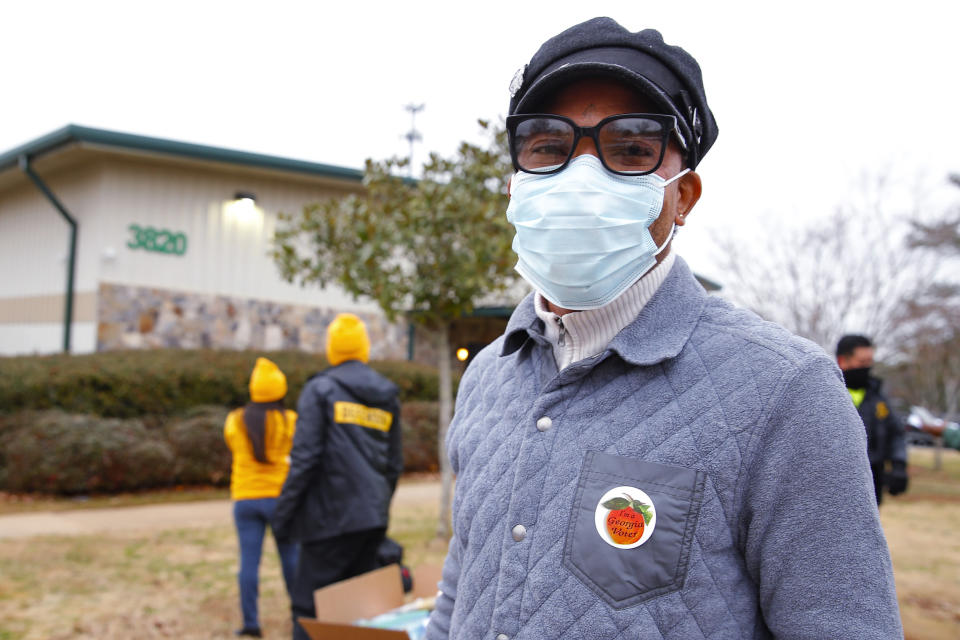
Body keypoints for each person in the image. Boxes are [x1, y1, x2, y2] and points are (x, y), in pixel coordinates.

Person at [426, 17, 902, 640]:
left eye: (630, 148)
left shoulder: (786, 393)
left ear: (683, 196)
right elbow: (463, 589)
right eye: (548, 145)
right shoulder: (488, 375)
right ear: (515, 185)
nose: (581, 176)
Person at [272, 312, 403, 640]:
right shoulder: (387, 396)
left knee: (308, 610)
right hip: (370, 520)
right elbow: (393, 464)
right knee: (354, 613)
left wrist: (283, 515)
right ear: (363, 348)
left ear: (332, 348)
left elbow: (305, 459)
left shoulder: (320, 390)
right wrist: (377, 506)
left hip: (327, 522)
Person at [223, 357, 299, 638]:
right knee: (291, 560)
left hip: (245, 498)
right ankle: (299, 618)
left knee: (248, 564)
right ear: (280, 389)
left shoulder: (235, 420)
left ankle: (251, 623)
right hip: (281, 499)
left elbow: (231, 443)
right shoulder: (289, 420)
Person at [836, 334, 908, 504]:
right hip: (837, 478)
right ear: (843, 361)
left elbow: (895, 432)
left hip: (872, 478)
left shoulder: (878, 398)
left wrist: (899, 464)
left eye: (870, 362)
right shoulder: (830, 395)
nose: (867, 368)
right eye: (862, 362)